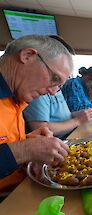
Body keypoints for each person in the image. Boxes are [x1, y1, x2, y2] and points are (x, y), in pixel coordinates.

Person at [0, 35, 73, 194]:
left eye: (59, 86)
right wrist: (24, 150)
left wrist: (29, 143)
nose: (53, 92)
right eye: (54, 78)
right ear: (27, 56)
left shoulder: (16, 98)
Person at [23, 36, 92, 139]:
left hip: (72, 133)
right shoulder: (39, 89)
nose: (54, 91)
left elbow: (57, 117)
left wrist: (74, 115)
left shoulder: (55, 86)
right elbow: (40, 128)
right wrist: (77, 120)